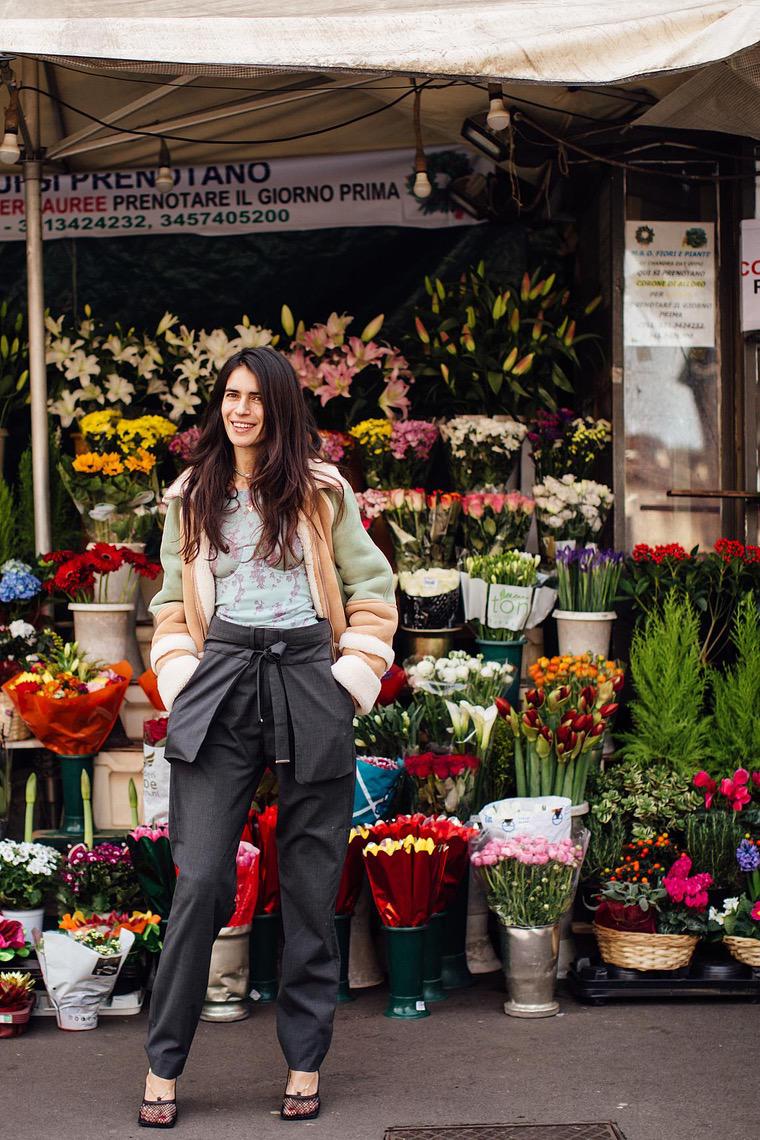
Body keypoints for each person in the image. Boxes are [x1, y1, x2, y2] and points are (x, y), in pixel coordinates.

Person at [139, 346, 396, 1128]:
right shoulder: (192, 493)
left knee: (312, 886)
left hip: (309, 676)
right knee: (203, 882)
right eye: (230, 394)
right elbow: (170, 606)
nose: (239, 408)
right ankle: (163, 1064)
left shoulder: (321, 491)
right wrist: (182, 677)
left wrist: (350, 677)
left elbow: (371, 588)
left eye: (254, 396)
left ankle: (304, 1062)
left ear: (280, 406)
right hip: (219, 678)